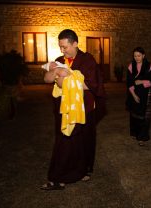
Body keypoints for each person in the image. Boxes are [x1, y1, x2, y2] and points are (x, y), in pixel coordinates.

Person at [41, 29, 106, 190]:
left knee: (86, 140)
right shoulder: (58, 60)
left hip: (84, 108)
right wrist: (56, 71)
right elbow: (47, 79)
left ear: (75, 43)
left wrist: (67, 81)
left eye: (65, 47)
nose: (62, 51)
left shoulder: (87, 60)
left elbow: (92, 85)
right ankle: (60, 176)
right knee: (64, 141)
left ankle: (85, 170)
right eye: (60, 47)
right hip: (63, 109)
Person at [126, 47, 151, 146]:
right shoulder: (131, 66)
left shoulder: (149, 66)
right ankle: (135, 133)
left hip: (145, 95)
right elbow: (129, 82)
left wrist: (141, 81)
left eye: (139, 56)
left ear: (143, 55)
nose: (137, 58)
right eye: (135, 56)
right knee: (134, 115)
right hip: (133, 94)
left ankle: (142, 137)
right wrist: (134, 95)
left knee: (143, 117)